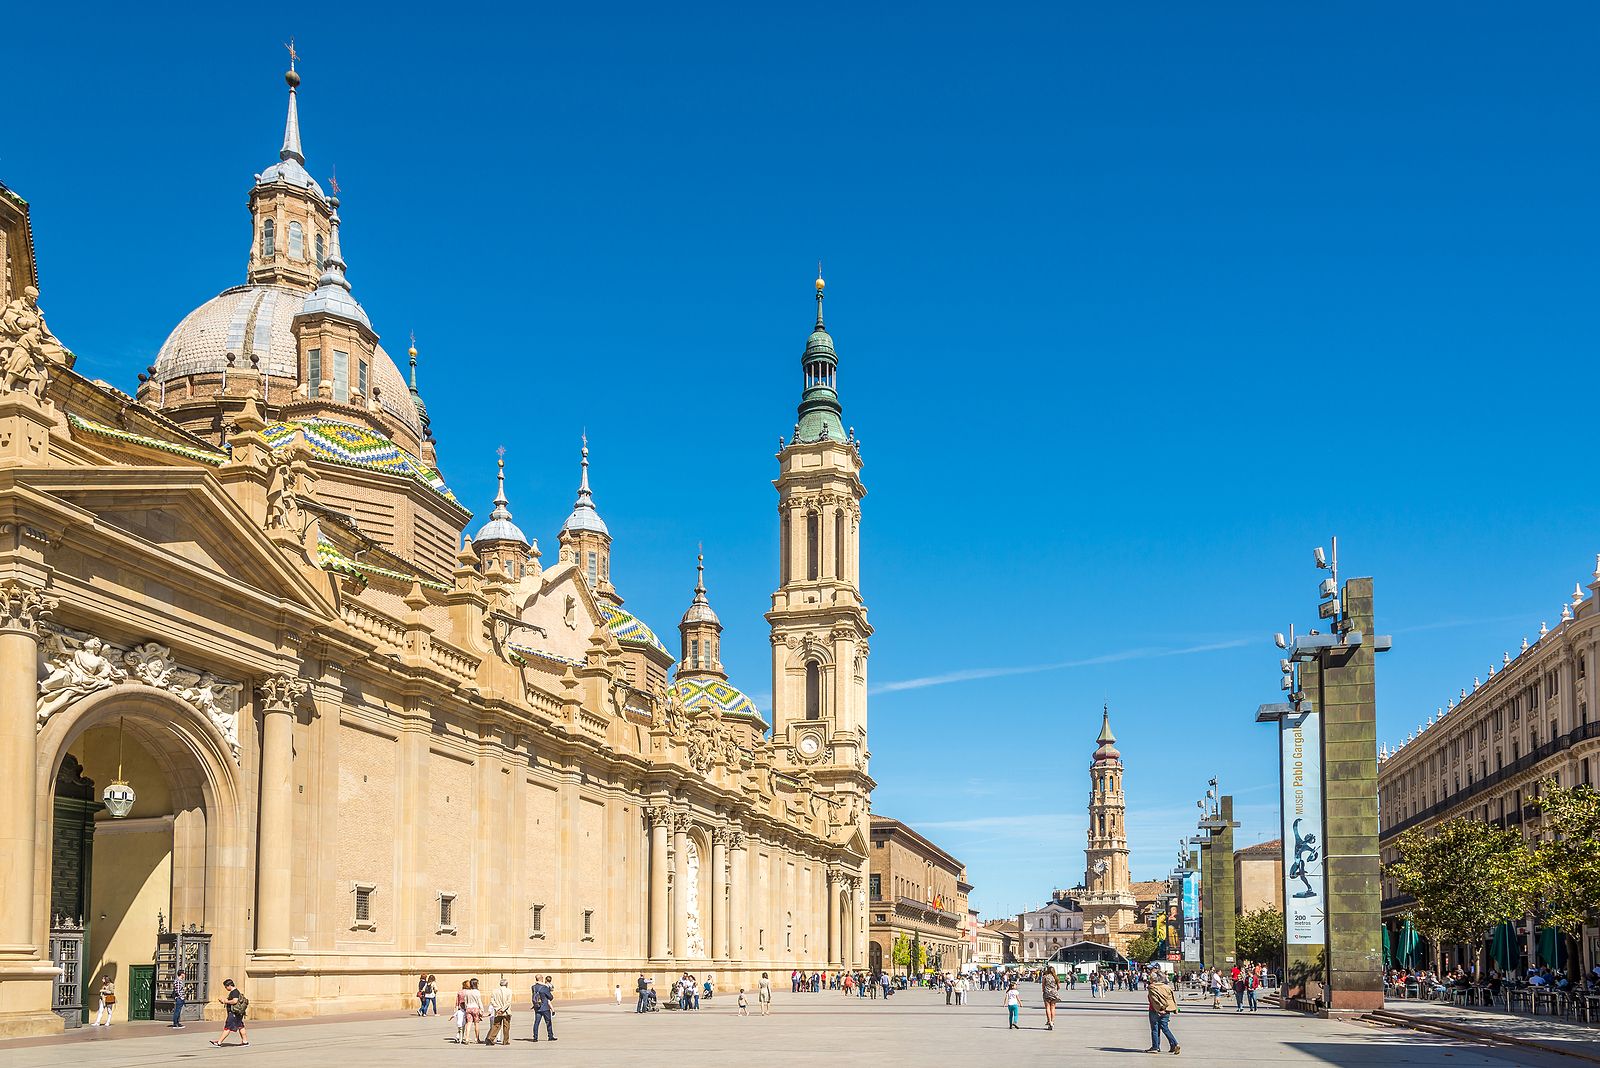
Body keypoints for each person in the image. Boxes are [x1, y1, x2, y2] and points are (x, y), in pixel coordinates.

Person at [1145, 968, 1180, 1055]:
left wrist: (1160, 1009)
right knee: (1165, 1028)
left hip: (1155, 1010)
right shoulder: (1167, 987)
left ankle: (1155, 1047)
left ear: (1153, 979)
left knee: (1155, 1029)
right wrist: (1173, 1008)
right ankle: (1174, 1044)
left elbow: (1154, 1000)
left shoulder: (1152, 987)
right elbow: (1172, 999)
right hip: (1167, 1010)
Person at [210, 979, 249, 1047]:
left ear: (230, 985)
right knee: (240, 1026)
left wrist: (225, 1001)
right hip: (238, 1013)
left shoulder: (234, 992)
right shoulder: (236, 992)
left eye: (226, 987)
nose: (226, 988)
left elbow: (235, 1001)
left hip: (233, 1013)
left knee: (227, 1027)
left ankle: (219, 1042)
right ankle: (245, 1041)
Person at [486, 977, 513, 1045]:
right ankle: (505, 1041)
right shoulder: (509, 991)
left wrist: (498, 1008)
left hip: (498, 1011)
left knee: (496, 1025)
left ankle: (491, 1038)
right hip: (506, 1011)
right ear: (506, 984)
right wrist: (503, 1009)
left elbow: (492, 1001)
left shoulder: (494, 991)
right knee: (506, 1026)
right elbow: (508, 1002)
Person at [531, 974, 556, 1041]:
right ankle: (550, 1036)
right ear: (541, 978)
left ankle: (535, 1037)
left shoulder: (533, 987)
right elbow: (550, 997)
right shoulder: (544, 987)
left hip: (537, 1007)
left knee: (536, 1022)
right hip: (545, 1007)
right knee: (548, 1022)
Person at [463, 978, 484, 1045]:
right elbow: (479, 1001)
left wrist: (466, 1008)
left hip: (468, 1008)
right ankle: (477, 1038)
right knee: (476, 1023)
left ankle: (466, 1038)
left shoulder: (467, 992)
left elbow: (465, 1001)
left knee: (468, 1023)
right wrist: (482, 1009)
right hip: (475, 1008)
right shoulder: (477, 992)